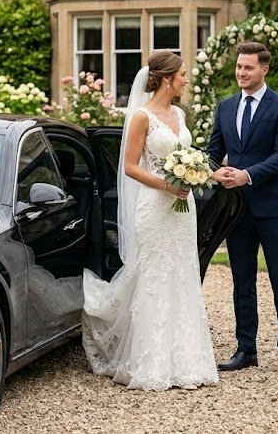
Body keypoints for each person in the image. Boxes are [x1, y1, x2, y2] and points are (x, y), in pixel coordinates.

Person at [82, 50, 218, 391]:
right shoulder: (142, 117)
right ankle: (151, 361)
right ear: (168, 78)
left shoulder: (180, 114)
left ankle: (186, 360)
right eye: (183, 75)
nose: (187, 80)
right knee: (155, 273)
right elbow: (129, 167)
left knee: (183, 272)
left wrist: (202, 175)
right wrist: (167, 185)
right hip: (154, 207)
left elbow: (187, 156)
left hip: (183, 211)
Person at [206, 42, 278, 376]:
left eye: (248, 67)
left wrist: (247, 175)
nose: (241, 73)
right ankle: (246, 349)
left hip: (274, 209)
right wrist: (210, 170)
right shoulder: (226, 106)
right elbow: (213, 151)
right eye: (238, 67)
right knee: (241, 281)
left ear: (264, 69)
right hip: (237, 211)